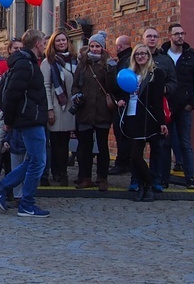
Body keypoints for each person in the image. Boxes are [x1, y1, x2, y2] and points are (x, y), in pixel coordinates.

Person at [0, 29, 50, 218]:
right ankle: (27, 204)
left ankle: (0, 187)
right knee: (38, 162)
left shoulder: (27, 63)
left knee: (32, 160)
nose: (45, 46)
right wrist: (8, 121)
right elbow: (12, 94)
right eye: (44, 42)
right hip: (29, 119)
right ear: (37, 44)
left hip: (30, 118)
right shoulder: (25, 64)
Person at [115, 44, 167, 202]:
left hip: (147, 118)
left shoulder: (155, 74)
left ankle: (149, 186)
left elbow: (158, 101)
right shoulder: (129, 73)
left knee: (142, 154)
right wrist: (121, 100)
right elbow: (122, 92)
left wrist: (162, 122)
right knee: (134, 155)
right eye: (137, 54)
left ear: (149, 56)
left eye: (143, 53)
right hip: (131, 116)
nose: (140, 56)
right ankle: (143, 185)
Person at [70, 31, 113, 191]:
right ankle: (85, 176)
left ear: (103, 48)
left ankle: (102, 177)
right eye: (93, 46)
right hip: (85, 110)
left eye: (98, 46)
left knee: (103, 147)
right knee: (84, 147)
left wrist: (111, 72)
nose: (95, 49)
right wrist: (76, 95)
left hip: (102, 111)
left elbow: (112, 87)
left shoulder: (108, 65)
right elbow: (75, 85)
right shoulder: (83, 65)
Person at [162, 23, 194, 189]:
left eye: (182, 33)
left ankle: (190, 179)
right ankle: (164, 178)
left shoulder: (192, 56)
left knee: (185, 143)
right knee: (165, 143)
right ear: (170, 35)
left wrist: (193, 103)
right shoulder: (162, 56)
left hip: (184, 107)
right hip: (166, 105)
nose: (180, 37)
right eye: (177, 34)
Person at [40, 29, 77, 187]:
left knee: (65, 141)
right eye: (58, 41)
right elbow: (46, 86)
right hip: (56, 107)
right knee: (56, 143)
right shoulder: (48, 62)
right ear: (53, 44)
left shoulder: (75, 60)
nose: (62, 43)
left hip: (72, 107)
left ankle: (63, 172)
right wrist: (49, 109)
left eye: (64, 40)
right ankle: (57, 173)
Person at [142, 27, 177, 191]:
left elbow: (173, 81)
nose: (152, 39)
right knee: (138, 148)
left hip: (158, 109)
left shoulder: (165, 60)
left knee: (159, 147)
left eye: (155, 36)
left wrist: (165, 89)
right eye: (149, 36)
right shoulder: (136, 57)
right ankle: (139, 179)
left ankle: (158, 179)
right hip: (140, 109)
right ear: (143, 39)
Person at [109, 35, 133, 177]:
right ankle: (125, 162)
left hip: (122, 103)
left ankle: (122, 163)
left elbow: (119, 83)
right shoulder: (128, 59)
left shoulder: (124, 61)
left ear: (119, 46)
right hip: (126, 102)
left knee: (122, 133)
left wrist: (120, 98)